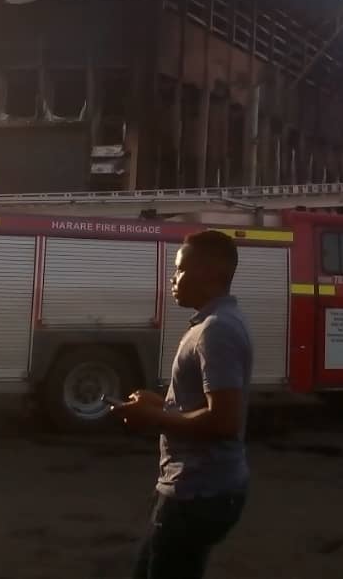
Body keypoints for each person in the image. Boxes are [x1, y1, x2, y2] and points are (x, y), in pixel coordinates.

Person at [116, 230, 252, 579]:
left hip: (196, 492)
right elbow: (208, 406)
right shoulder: (214, 324)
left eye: (180, 270)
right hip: (198, 488)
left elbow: (223, 421)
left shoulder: (216, 330)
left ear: (209, 273)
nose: (173, 279)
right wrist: (158, 405)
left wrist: (153, 418)